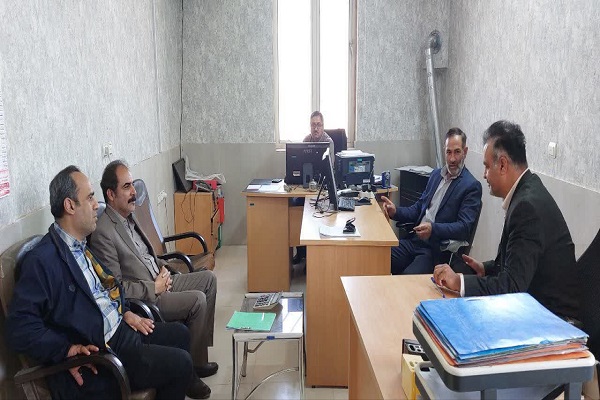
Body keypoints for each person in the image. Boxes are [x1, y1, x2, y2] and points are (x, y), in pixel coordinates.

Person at [5, 166, 208, 399]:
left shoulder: (81, 247)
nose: (96, 205)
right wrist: (65, 349)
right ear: (70, 206)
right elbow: (20, 328)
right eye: (90, 198)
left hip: (119, 330)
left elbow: (107, 290)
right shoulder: (42, 261)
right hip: (100, 356)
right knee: (179, 364)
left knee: (180, 334)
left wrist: (124, 312)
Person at [88, 160, 218, 387]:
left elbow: (146, 254)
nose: (133, 191)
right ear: (111, 194)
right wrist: (154, 287)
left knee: (209, 279)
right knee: (197, 299)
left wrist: (164, 268)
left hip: (160, 278)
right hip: (148, 296)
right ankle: (189, 374)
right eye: (126, 186)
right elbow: (115, 288)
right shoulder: (103, 233)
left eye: (132, 185)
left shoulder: (129, 216)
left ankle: (197, 357)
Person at [433, 120, 579, 320]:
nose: (484, 175)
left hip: (553, 321)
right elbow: (518, 264)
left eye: (486, 167)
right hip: (537, 307)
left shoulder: (527, 208)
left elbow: (511, 288)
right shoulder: (527, 190)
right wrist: (486, 268)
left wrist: (459, 282)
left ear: (502, 164)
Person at [381, 128, 482, 274]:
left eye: (457, 152)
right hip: (414, 241)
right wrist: (395, 211)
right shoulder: (436, 175)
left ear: (465, 152)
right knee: (378, 257)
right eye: (448, 152)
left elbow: (464, 227)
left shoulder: (471, 186)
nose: (452, 159)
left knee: (408, 279)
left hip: (434, 250)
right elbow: (418, 208)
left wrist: (433, 229)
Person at [292, 111, 335, 264]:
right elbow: (298, 165)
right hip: (306, 187)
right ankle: (301, 252)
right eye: (313, 125)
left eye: (318, 125)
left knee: (317, 211)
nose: (315, 128)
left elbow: (331, 168)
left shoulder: (328, 142)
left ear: (323, 126)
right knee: (295, 206)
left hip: (323, 188)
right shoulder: (306, 140)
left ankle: (314, 258)